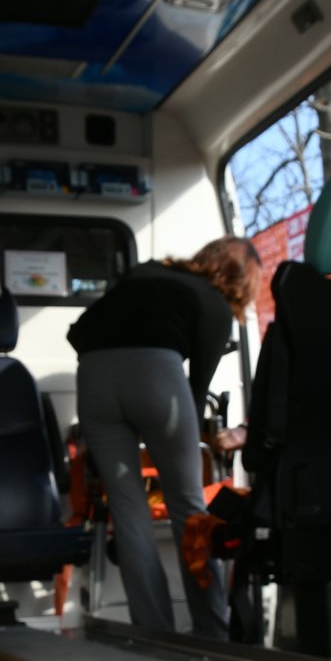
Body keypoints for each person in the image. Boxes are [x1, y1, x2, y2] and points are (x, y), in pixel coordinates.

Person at [68, 237, 259, 637]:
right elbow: (196, 389)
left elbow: (79, 331)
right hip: (156, 377)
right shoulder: (215, 305)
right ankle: (212, 631)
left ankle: (152, 633)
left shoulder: (146, 271)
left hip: (93, 374)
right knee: (189, 509)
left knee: (127, 511)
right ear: (243, 282)